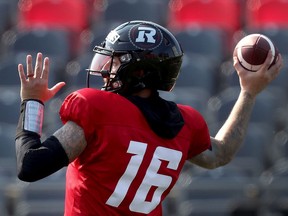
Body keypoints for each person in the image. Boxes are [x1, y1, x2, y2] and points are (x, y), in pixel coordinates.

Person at [15, 20, 283, 216]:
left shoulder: (98, 108)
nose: (106, 70)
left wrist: (32, 101)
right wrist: (248, 93)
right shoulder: (185, 123)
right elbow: (220, 154)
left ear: (139, 71)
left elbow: (31, 165)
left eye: (116, 61)